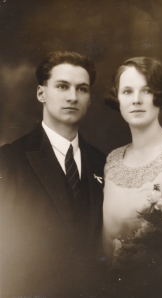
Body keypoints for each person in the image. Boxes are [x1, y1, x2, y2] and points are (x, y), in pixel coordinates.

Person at [0, 51, 106, 298]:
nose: (72, 97)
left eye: (82, 89)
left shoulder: (103, 162)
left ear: (89, 99)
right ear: (41, 93)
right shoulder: (8, 161)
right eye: (62, 86)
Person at [103, 56, 162, 265]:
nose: (136, 99)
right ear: (118, 98)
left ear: (160, 96)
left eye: (146, 90)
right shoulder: (111, 161)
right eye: (127, 91)